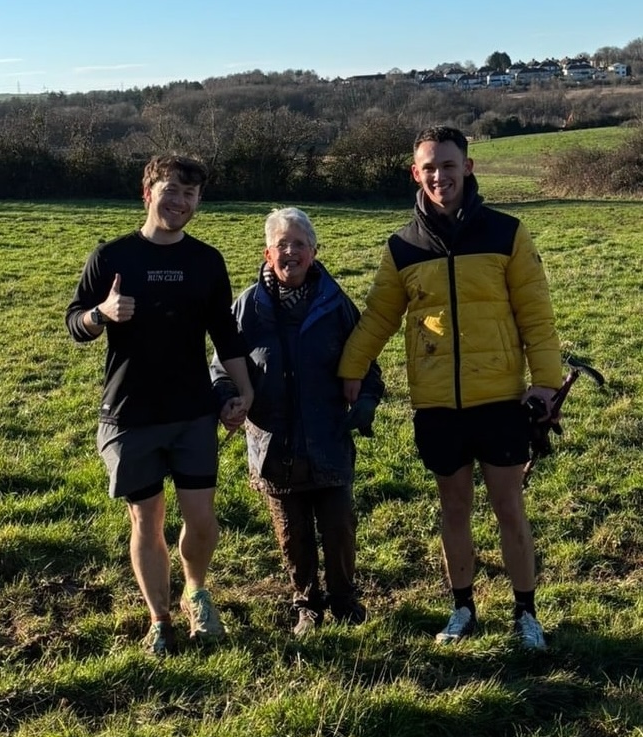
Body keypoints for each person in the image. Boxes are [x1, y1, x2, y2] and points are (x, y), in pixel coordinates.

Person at [338, 126, 562, 650]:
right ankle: (462, 609)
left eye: (449, 165)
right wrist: (352, 369)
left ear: (468, 167)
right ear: (416, 174)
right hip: (438, 404)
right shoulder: (402, 247)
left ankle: (526, 614)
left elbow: (537, 317)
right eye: (430, 168)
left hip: (502, 399)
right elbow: (378, 317)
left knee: (510, 508)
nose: (440, 176)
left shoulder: (508, 233)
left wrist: (547, 384)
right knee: (453, 508)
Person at [65, 154, 254, 656]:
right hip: (130, 414)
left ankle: (196, 591)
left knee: (203, 519)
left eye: (190, 194)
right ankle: (159, 618)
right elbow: (74, 322)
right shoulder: (111, 257)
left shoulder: (206, 261)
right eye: (171, 189)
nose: (180, 201)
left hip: (192, 412)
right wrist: (101, 315)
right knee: (146, 522)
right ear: (147, 191)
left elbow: (226, 333)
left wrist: (244, 391)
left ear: (198, 202)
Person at [211, 207, 384, 637]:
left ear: (314, 251)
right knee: (292, 533)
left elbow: (366, 362)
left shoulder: (335, 302)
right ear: (268, 253)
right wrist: (227, 398)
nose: (291, 252)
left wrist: (365, 400)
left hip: (329, 435)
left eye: (300, 245)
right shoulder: (247, 306)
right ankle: (307, 604)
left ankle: (345, 600)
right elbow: (220, 367)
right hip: (274, 442)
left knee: (339, 525)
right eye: (282, 245)